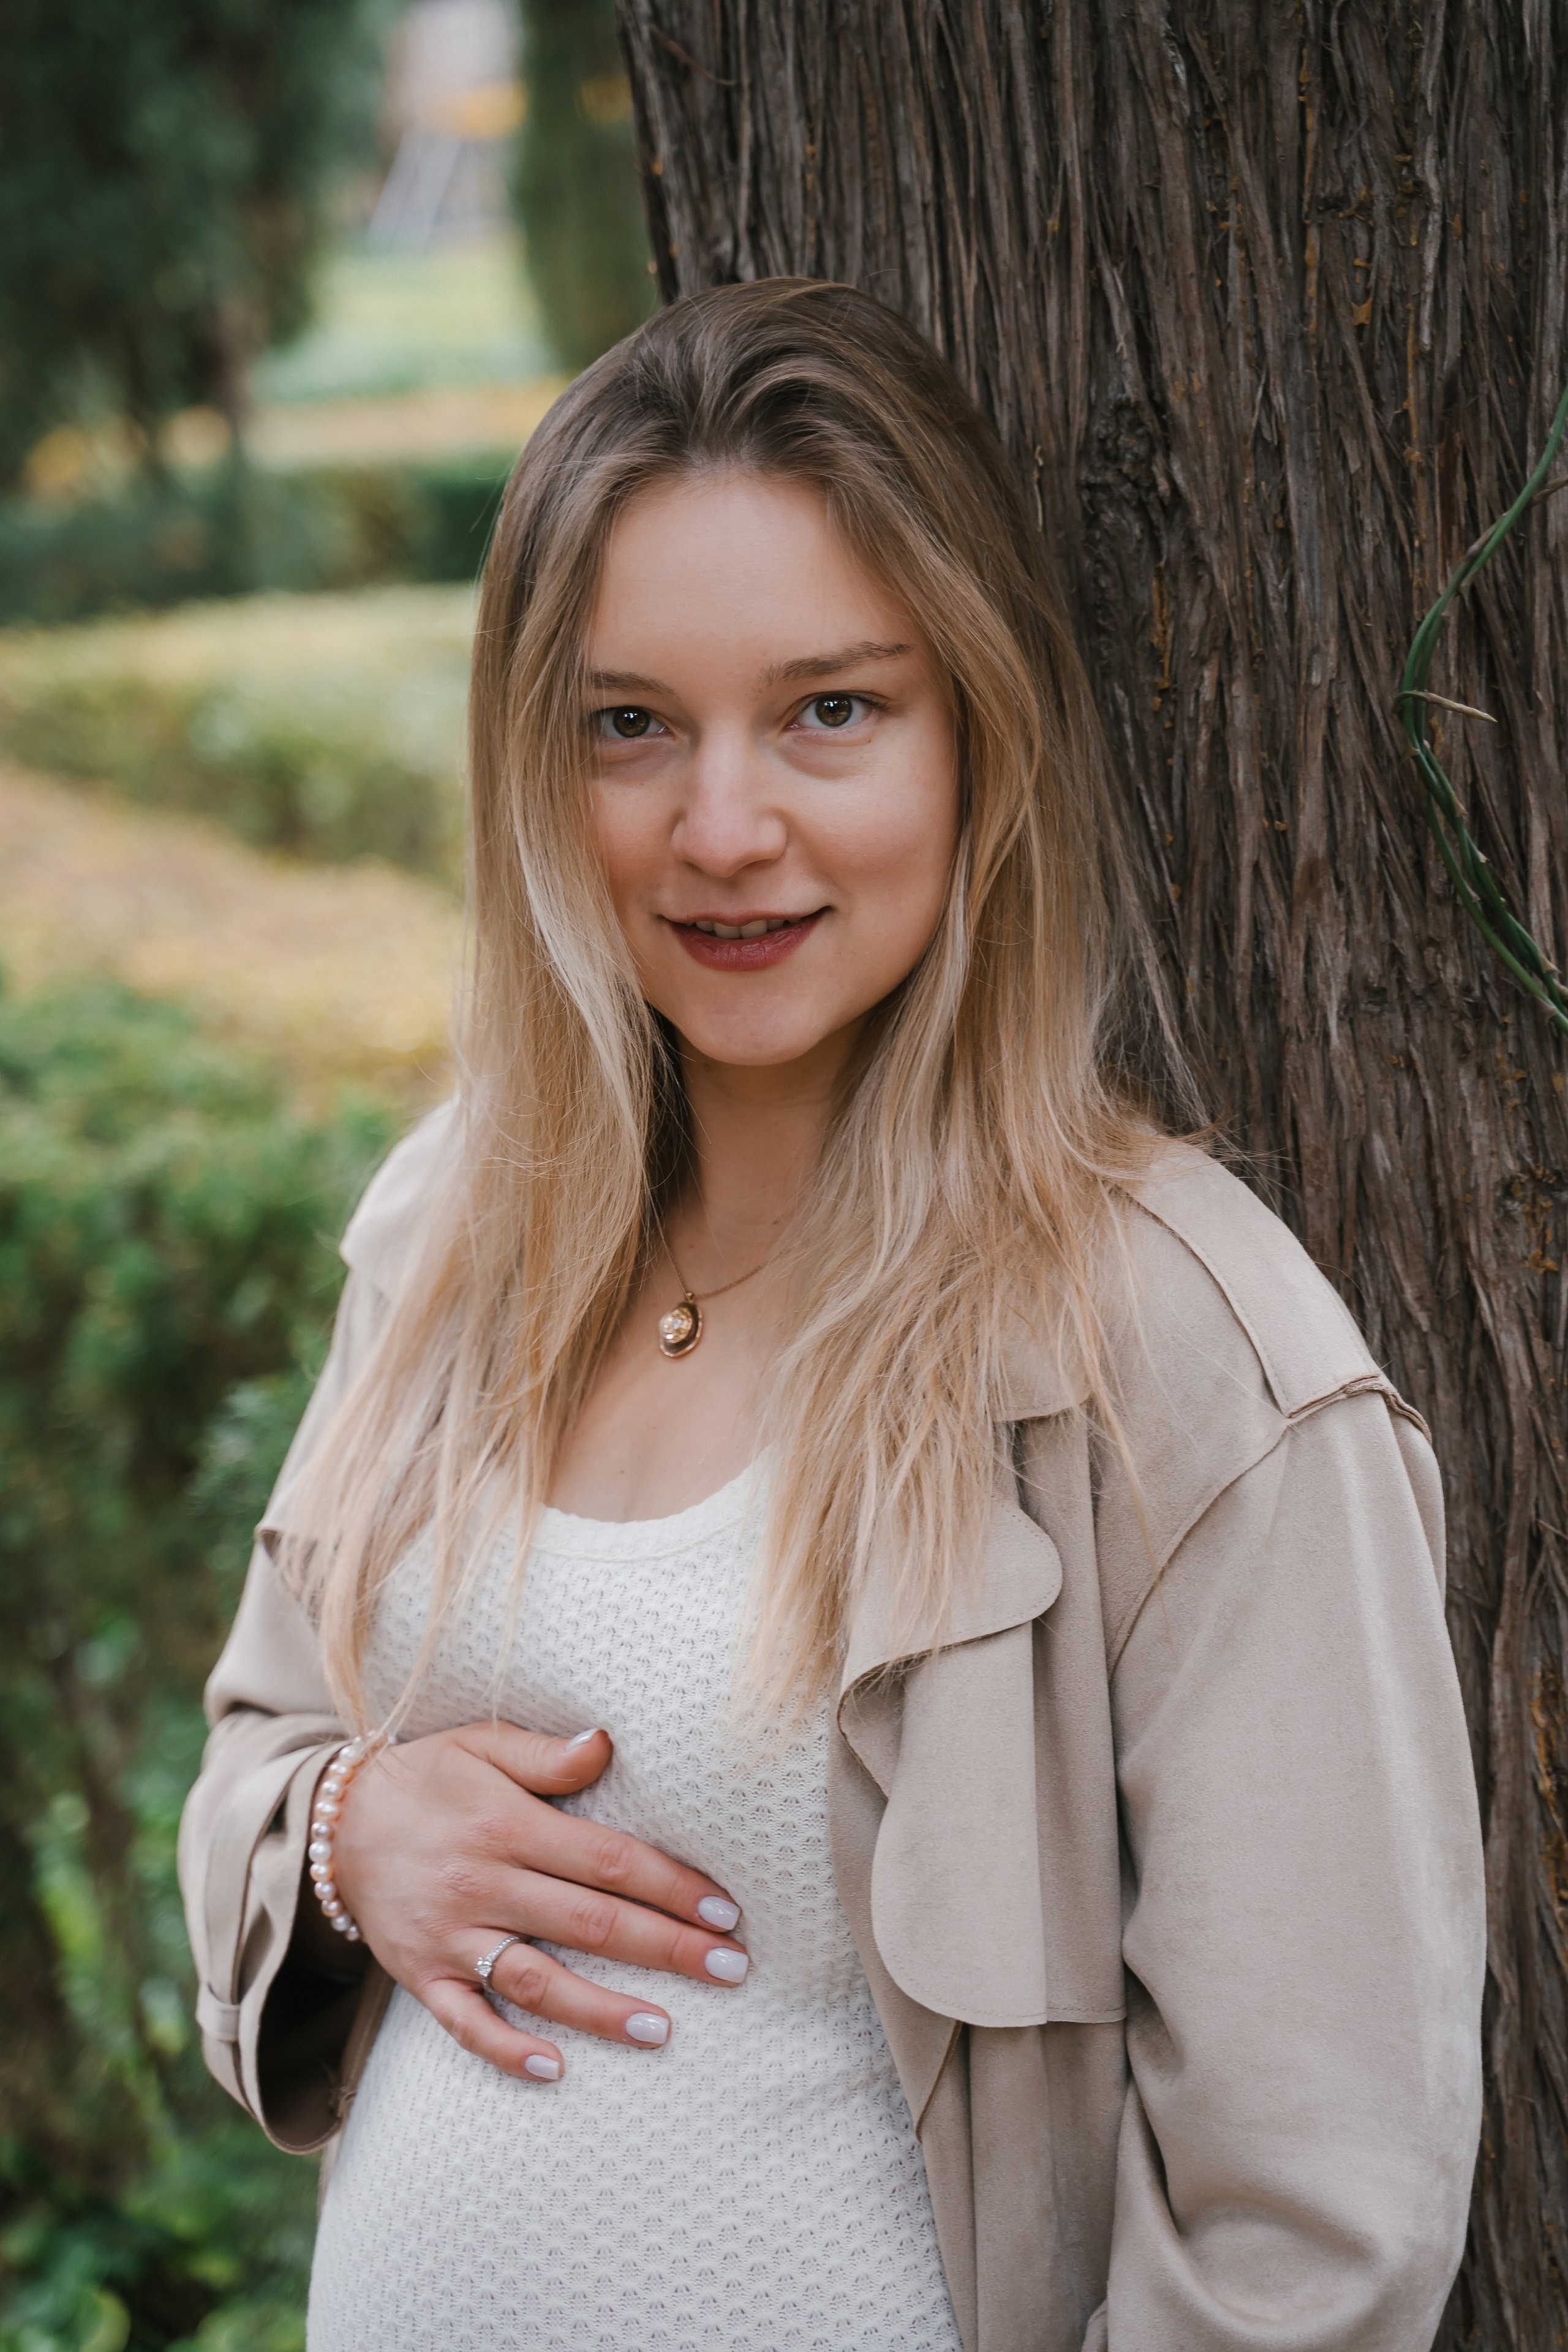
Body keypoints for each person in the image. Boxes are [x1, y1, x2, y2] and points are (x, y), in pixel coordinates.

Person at [178, 279, 1485, 2352]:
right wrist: (346, 1838)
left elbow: (1313, 2230)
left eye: (831, 711)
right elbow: (256, 1752)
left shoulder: (1179, 1356)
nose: (721, 828)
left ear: (982, 728)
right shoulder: (452, 1229)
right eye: (630, 724)